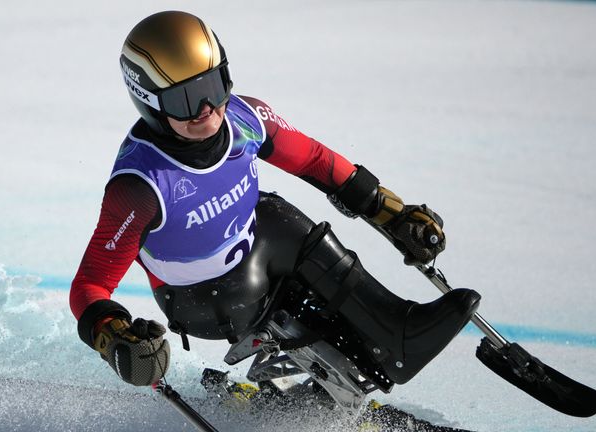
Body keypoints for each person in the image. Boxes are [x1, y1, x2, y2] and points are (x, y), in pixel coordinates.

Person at [70, 10, 480, 388]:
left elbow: (315, 161)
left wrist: (387, 209)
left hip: (253, 255)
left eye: (213, 86)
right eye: (185, 100)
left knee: (273, 213)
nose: (207, 109)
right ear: (150, 102)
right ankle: (378, 342)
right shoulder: (140, 186)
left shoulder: (246, 119)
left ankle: (366, 352)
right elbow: (90, 284)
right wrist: (114, 335)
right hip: (202, 301)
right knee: (276, 220)